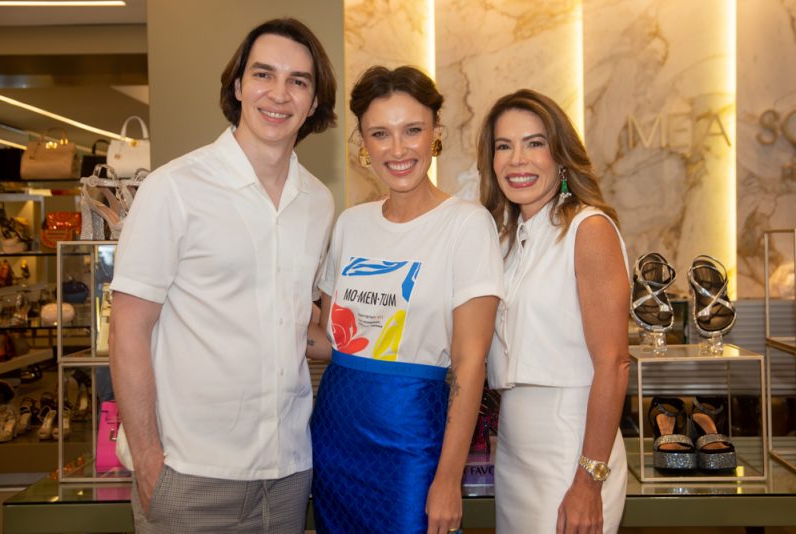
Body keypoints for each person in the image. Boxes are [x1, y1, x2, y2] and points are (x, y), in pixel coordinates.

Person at [109, 18, 336, 534]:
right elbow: (127, 329)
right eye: (263, 74)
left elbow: (300, 324)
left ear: (315, 100)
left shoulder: (318, 202)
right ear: (237, 86)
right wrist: (148, 461)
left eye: (298, 80)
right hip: (189, 474)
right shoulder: (174, 189)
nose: (279, 94)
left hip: (288, 472)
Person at [306, 65, 503, 534]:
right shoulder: (351, 223)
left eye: (412, 130)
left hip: (412, 438)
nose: (397, 149)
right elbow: (330, 341)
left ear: (436, 133)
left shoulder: (467, 225)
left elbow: (471, 364)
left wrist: (447, 478)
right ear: (363, 143)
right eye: (380, 134)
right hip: (335, 434)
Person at [479, 89, 629, 534]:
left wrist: (588, 480)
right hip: (513, 448)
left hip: (571, 447)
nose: (516, 160)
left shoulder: (589, 229)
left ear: (561, 158)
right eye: (504, 146)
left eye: (534, 143)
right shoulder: (507, 240)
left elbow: (615, 363)